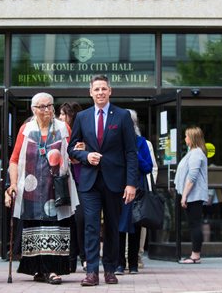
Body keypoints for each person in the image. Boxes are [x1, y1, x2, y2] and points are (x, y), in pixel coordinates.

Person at [68, 74, 138, 286]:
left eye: (103, 89)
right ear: (90, 92)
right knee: (90, 226)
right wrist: (85, 156)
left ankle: (110, 269)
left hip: (115, 180)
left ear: (110, 91)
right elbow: (71, 148)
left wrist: (131, 183)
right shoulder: (82, 117)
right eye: (96, 89)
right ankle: (91, 271)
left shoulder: (123, 116)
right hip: (89, 181)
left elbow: (131, 152)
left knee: (112, 226)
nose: (100, 92)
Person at [4, 92, 78, 285]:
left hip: (56, 187)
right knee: (34, 227)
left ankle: (53, 270)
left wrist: (79, 153)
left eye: (49, 106)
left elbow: (72, 155)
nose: (46, 110)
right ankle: (37, 269)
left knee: (55, 227)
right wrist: (12, 184)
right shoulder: (26, 129)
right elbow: (14, 160)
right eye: (42, 107)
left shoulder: (63, 128)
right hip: (31, 188)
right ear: (33, 109)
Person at [115, 109, 153, 275]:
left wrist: (134, 154)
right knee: (119, 227)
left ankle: (134, 264)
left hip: (137, 190)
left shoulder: (141, 142)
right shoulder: (115, 142)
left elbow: (148, 167)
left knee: (135, 226)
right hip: (118, 189)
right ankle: (119, 264)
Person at [174, 126, 208, 264]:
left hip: (194, 196)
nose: (185, 138)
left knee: (195, 224)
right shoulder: (192, 152)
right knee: (194, 224)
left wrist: (184, 196)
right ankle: (195, 254)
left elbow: (192, 177)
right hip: (191, 195)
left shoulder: (196, 154)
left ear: (192, 138)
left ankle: (195, 256)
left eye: (186, 136)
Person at [59, 102, 86, 273]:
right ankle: (70, 259)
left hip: (82, 182)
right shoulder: (59, 133)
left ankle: (84, 257)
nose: (60, 117)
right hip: (64, 182)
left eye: (63, 114)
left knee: (81, 220)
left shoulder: (83, 134)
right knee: (68, 221)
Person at [138, 135, 158, 268]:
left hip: (142, 188)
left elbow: (152, 168)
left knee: (141, 221)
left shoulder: (145, 143)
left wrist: (150, 187)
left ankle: (138, 255)